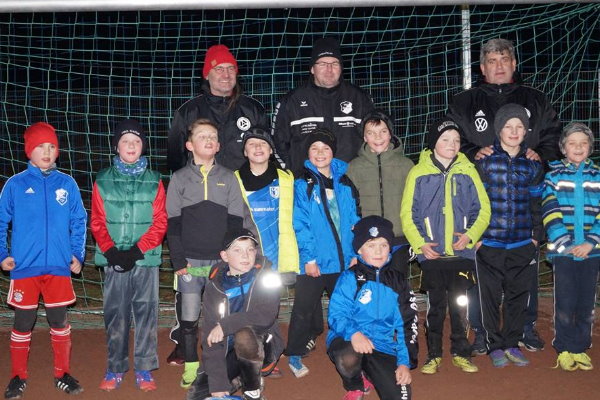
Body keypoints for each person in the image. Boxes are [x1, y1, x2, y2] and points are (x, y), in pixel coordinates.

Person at [447, 38, 561, 353]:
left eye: (505, 59)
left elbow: (554, 137)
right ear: (482, 68)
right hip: (482, 202)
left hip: (523, 202)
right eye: (492, 61)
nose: (499, 66)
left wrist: (540, 154)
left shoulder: (535, 99)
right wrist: (472, 150)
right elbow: (448, 138)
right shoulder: (464, 102)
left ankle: (524, 328)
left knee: (523, 270)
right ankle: (483, 333)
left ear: (514, 64)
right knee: (481, 273)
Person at [0, 122, 87, 399]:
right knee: (23, 322)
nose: (47, 151)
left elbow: (79, 220)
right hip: (25, 268)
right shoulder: (15, 185)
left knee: (58, 322)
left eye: (51, 146)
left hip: (59, 268)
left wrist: (77, 254)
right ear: (29, 151)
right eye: (40, 146)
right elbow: (0, 222)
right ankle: (18, 375)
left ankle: (62, 373)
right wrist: (2, 254)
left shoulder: (67, 183)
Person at [400, 118, 490, 375]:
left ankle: (461, 352)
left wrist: (469, 236)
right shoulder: (418, 172)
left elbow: (482, 209)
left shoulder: (468, 170)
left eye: (456, 140)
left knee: (460, 305)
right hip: (432, 255)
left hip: (461, 254)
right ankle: (434, 354)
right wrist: (420, 244)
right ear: (434, 143)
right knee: (436, 307)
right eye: (445, 140)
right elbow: (408, 214)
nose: (451, 145)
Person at [166, 118, 251, 389]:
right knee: (189, 319)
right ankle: (191, 366)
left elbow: (236, 223)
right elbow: (173, 224)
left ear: (219, 145)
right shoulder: (178, 179)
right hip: (190, 264)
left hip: (220, 263)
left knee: (222, 318)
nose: (209, 140)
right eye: (203, 136)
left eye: (213, 136)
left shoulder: (228, 178)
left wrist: (232, 259)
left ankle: (223, 365)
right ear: (190, 145)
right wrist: (178, 260)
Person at [90, 119, 167, 392]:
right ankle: (116, 366)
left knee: (146, 312)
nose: (131, 146)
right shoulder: (102, 180)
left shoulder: (155, 180)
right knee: (116, 314)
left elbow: (160, 222)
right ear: (116, 146)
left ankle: (144, 368)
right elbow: (97, 221)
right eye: (125, 141)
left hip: (144, 259)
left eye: (136, 141)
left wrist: (135, 251)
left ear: (143, 146)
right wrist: (111, 251)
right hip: (114, 261)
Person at [286, 129, 360, 378]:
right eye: (314, 148)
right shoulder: (302, 184)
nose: (320, 153)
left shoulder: (345, 182)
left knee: (344, 307)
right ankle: (294, 353)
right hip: (315, 262)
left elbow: (353, 221)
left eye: (325, 148)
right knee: (304, 308)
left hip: (343, 261)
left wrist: (354, 253)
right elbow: (300, 223)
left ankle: (349, 349)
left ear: (333, 152)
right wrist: (308, 258)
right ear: (308, 153)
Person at [474, 103, 544, 368]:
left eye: (519, 127)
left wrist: (536, 236)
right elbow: (474, 203)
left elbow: (537, 203)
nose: (514, 131)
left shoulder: (533, 165)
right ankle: (494, 344)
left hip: (522, 243)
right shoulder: (484, 162)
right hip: (489, 242)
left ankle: (512, 343)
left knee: (517, 296)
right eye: (508, 126)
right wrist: (477, 238)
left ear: (525, 131)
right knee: (489, 297)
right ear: (498, 129)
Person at [185, 229, 282, 400]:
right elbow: (210, 337)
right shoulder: (213, 288)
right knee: (196, 395)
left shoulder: (268, 276)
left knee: (243, 335)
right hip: (228, 350)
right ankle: (238, 378)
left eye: (250, 249)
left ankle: (253, 390)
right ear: (224, 256)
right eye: (237, 250)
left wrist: (225, 325)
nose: (246, 255)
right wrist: (218, 383)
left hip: (262, 346)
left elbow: (266, 314)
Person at [233, 127, 299, 378]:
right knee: (244, 308)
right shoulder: (233, 180)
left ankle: (270, 356)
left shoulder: (286, 178)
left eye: (263, 144)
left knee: (269, 309)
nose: (258, 148)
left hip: (277, 257)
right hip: (246, 258)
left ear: (271, 150)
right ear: (245, 151)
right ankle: (246, 358)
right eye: (252, 144)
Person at [327, 216, 416, 400]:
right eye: (371, 245)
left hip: (383, 345)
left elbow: (407, 325)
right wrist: (354, 334)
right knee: (348, 357)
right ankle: (356, 384)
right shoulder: (349, 278)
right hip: (350, 339)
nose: (378, 251)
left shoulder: (398, 282)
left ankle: (371, 370)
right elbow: (337, 314)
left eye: (383, 245)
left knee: (401, 397)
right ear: (359, 249)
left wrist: (404, 363)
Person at [541, 122, 600, 371]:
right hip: (563, 252)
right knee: (565, 302)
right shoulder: (553, 176)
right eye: (572, 143)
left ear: (590, 148)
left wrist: (591, 242)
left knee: (586, 302)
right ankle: (564, 347)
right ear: (563, 148)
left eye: (583, 143)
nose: (578, 147)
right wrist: (565, 244)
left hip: (592, 251)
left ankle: (581, 346)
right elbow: (549, 210)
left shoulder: (597, 176)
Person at [272, 36, 375, 175]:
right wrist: (294, 172)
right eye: (322, 64)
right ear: (312, 69)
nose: (329, 69)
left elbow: (375, 138)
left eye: (334, 63)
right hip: (306, 185)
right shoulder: (292, 101)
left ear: (341, 68)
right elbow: (276, 143)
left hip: (351, 182)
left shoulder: (359, 99)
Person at [167, 44, 269, 172]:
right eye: (219, 69)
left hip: (244, 186)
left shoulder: (253, 108)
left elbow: (267, 151)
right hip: (202, 187)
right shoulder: (188, 111)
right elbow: (176, 159)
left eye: (231, 68)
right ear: (207, 75)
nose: (226, 75)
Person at [346, 109, 415, 278]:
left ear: (390, 134)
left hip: (399, 239)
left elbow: (416, 203)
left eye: (383, 132)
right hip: (368, 241)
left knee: (397, 289)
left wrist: (415, 237)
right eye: (371, 133)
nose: (378, 138)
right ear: (364, 137)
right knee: (370, 289)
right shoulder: (354, 167)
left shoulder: (406, 165)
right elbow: (349, 205)